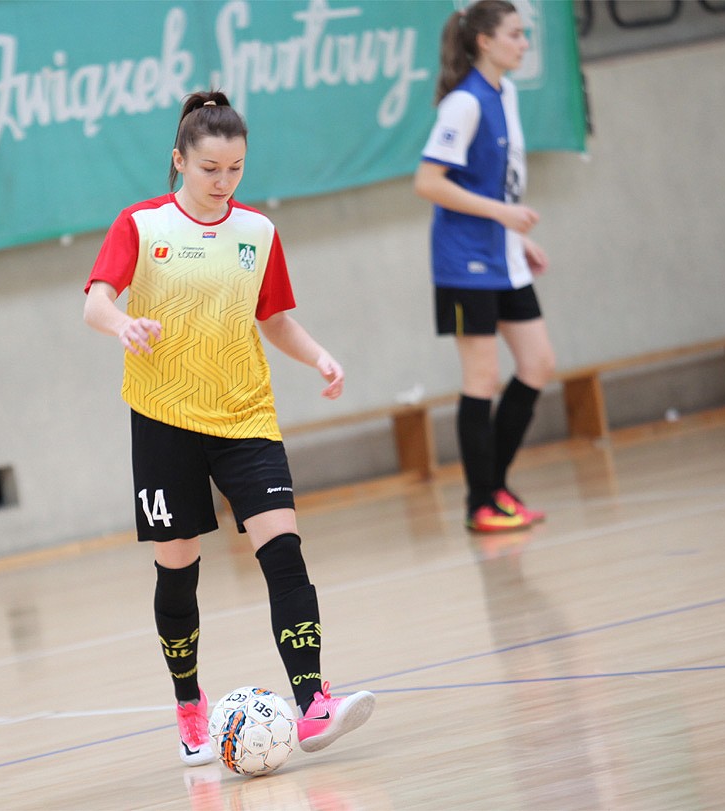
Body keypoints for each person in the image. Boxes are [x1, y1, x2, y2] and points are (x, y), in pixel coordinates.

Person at [83, 90, 376, 767]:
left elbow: (274, 318)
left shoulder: (258, 233)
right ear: (179, 160)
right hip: (164, 420)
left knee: (284, 550)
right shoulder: (142, 224)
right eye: (210, 168)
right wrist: (122, 324)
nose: (223, 181)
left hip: (245, 414)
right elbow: (96, 301)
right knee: (178, 569)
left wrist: (318, 355)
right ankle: (189, 700)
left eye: (236, 168)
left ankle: (313, 702)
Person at [414, 0, 557, 533]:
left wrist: (516, 237)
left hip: (503, 252)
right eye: (515, 34)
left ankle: (495, 486)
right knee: (483, 376)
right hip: (462, 260)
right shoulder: (463, 104)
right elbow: (428, 182)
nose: (524, 43)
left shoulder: (507, 93)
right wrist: (501, 215)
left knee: (538, 363)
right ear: (485, 42)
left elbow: (501, 181)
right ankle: (481, 502)